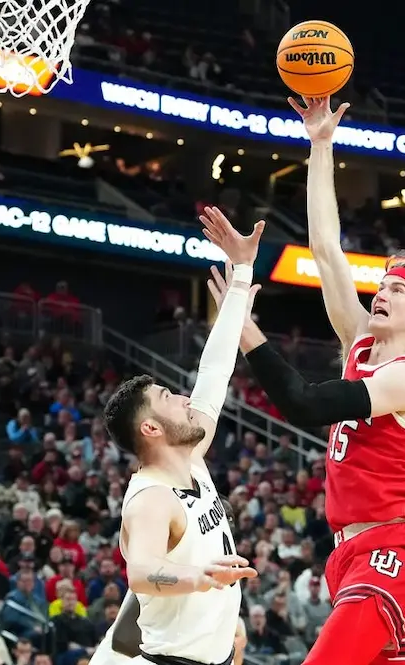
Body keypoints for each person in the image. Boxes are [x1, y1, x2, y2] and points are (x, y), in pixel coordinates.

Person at [207, 95, 405, 665]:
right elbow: (327, 251)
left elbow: (303, 402)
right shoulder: (361, 345)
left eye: (397, 290)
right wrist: (320, 144)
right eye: (382, 284)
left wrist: (243, 325)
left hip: (392, 551)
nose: (381, 291)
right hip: (346, 556)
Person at [96, 207, 261, 665]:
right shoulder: (151, 498)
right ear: (150, 428)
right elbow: (143, 571)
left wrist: (243, 274)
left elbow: (214, 370)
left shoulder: (191, 458)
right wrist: (198, 576)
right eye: (169, 397)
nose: (186, 399)